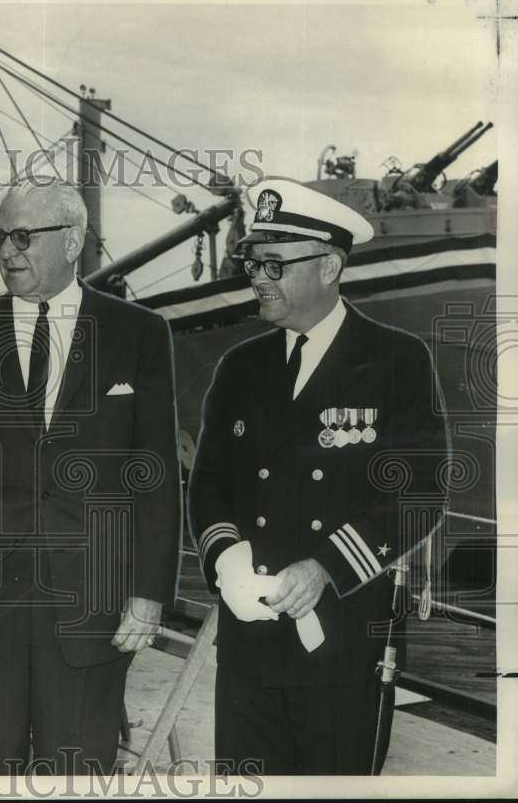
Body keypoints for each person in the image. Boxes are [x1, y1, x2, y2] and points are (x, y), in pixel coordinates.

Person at [0, 179, 181, 775]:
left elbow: (154, 476)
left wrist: (150, 594)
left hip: (92, 610)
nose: (7, 251)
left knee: (79, 775)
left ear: (73, 239)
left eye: (23, 236)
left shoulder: (138, 333)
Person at [188, 178, 449, 775]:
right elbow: (209, 485)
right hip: (249, 646)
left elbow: (419, 493)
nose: (257, 277)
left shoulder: (397, 361)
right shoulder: (239, 368)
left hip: (343, 643)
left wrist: (326, 567)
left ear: (329, 265)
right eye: (253, 262)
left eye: (274, 265)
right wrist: (224, 556)